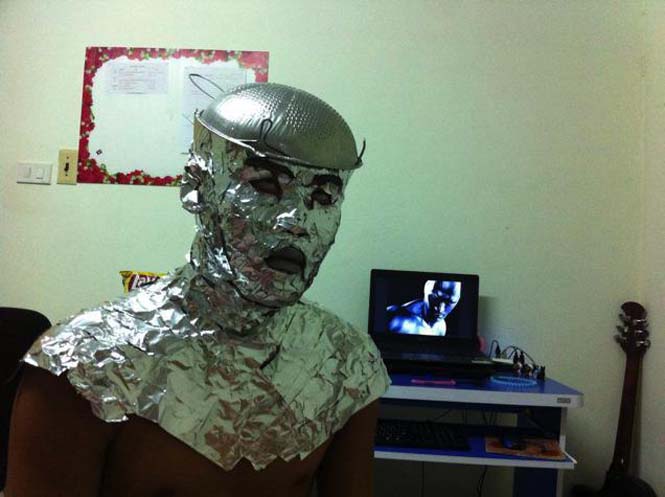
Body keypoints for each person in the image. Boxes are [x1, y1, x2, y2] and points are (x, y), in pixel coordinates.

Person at [6, 83, 390, 497]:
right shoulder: (83, 364)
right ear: (197, 188)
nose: (296, 221)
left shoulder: (346, 361)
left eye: (323, 196)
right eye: (265, 186)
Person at [386, 280, 461, 336]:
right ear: (426, 290)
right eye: (436, 298)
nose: (440, 309)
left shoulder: (441, 325)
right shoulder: (398, 321)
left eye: (450, 302)